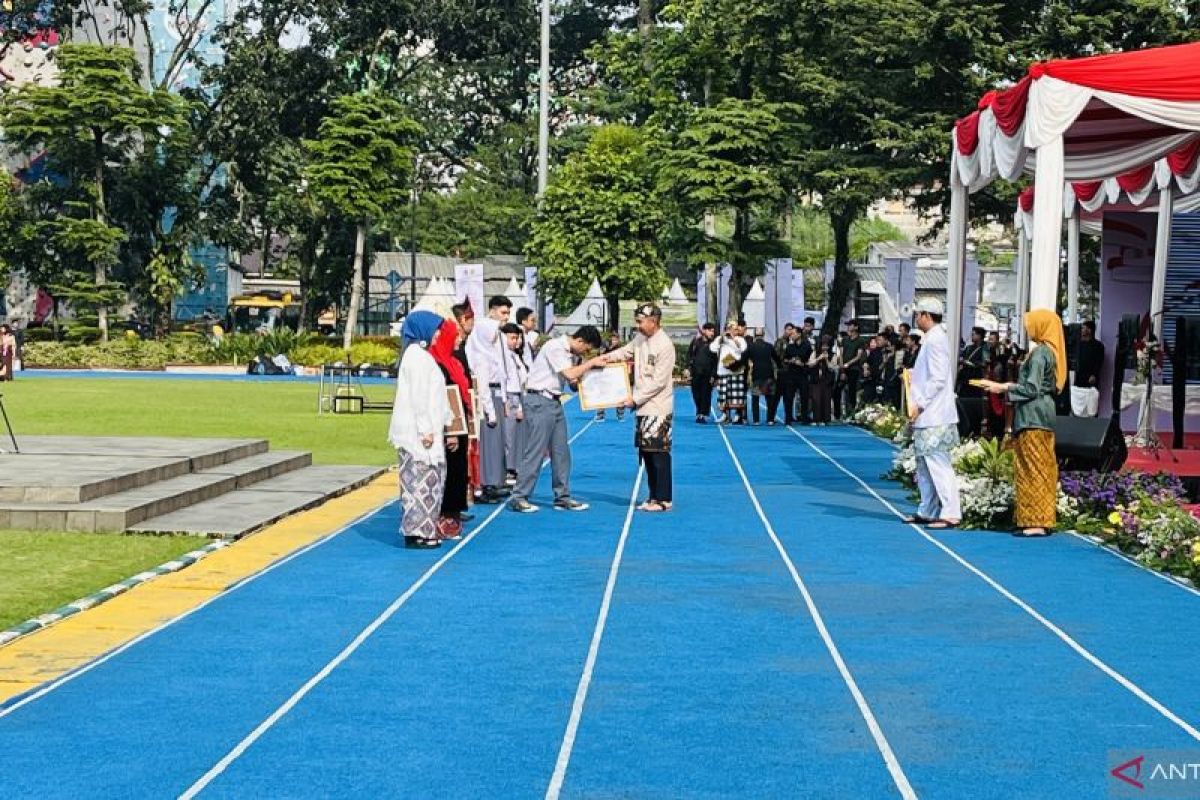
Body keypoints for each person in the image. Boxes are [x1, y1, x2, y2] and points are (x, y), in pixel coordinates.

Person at [980, 310, 1066, 536]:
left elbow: (1031, 388)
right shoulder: (1050, 352)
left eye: (1031, 324)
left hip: (1033, 416)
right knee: (1042, 467)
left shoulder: (1040, 354)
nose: (1028, 329)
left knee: (1032, 467)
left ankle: (1035, 521)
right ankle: (1038, 518)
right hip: (1043, 414)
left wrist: (1004, 387)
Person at [508, 325, 607, 513]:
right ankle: (519, 496)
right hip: (539, 401)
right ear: (580, 341)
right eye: (586, 349)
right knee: (535, 451)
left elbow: (571, 381)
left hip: (554, 402)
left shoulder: (570, 353)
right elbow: (569, 373)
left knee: (561, 451)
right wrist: (591, 363)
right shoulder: (555, 347)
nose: (585, 353)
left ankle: (562, 496)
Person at [389, 311, 454, 549]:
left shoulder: (422, 356)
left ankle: (425, 528)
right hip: (418, 434)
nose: (438, 335)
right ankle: (416, 531)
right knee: (418, 483)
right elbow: (419, 397)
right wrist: (426, 429)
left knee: (430, 482)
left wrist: (446, 421)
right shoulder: (416, 357)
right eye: (436, 329)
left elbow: (436, 395)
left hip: (430, 430)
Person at [604, 304, 676, 511]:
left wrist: (634, 399)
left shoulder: (665, 345)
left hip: (658, 407)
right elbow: (625, 353)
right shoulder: (640, 339)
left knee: (659, 453)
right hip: (642, 408)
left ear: (653, 321)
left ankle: (664, 498)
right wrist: (604, 359)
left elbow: (659, 382)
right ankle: (653, 495)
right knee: (646, 451)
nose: (637, 325)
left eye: (640, 321)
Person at [904, 298, 961, 530]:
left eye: (918, 314)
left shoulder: (936, 339)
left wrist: (921, 402)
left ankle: (951, 512)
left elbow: (938, 378)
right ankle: (927, 509)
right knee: (924, 464)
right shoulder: (932, 338)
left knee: (938, 462)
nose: (917, 319)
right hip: (926, 412)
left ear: (927, 315)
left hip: (934, 412)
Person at [465, 296, 513, 504]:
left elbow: (502, 371)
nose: (505, 319)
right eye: (503, 313)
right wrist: (491, 411)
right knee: (487, 442)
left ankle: (494, 480)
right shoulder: (480, 354)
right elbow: (482, 384)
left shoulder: (494, 349)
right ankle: (484, 483)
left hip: (497, 393)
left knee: (496, 442)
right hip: (486, 397)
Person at [430, 317, 471, 538]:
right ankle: (445, 513)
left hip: (460, 421)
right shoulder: (438, 364)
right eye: (455, 337)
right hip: (449, 424)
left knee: (459, 468)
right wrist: (451, 430)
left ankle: (454, 511)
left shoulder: (454, 361)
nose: (459, 340)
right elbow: (446, 397)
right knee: (450, 468)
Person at [501, 322, 530, 480]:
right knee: (509, 436)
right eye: (512, 338)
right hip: (511, 396)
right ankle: (508, 468)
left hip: (518, 395)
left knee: (517, 436)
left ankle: (514, 465)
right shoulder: (504, 355)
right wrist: (513, 403)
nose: (516, 341)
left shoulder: (515, 355)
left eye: (517, 338)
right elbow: (506, 380)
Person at [712, 319, 748, 424]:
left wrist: (732, 338)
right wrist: (722, 337)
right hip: (723, 371)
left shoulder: (741, 339)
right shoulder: (721, 339)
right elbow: (713, 349)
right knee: (723, 394)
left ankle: (737, 415)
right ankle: (724, 415)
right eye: (730, 329)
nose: (733, 331)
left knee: (736, 395)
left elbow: (743, 349)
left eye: (735, 329)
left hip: (736, 371)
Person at [745, 329, 781, 425]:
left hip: (756, 374)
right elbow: (777, 359)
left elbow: (743, 359)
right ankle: (770, 420)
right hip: (768, 374)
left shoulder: (751, 346)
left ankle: (756, 420)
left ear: (754, 335)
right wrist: (781, 367)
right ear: (764, 335)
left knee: (755, 398)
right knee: (770, 398)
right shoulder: (769, 346)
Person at [781, 323, 813, 425]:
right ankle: (788, 418)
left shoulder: (807, 346)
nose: (791, 335)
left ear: (799, 334)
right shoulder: (790, 346)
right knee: (789, 397)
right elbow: (785, 359)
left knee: (804, 396)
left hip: (803, 374)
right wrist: (791, 361)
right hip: (791, 374)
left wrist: (801, 362)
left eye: (793, 333)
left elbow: (808, 358)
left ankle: (804, 417)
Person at [1071, 319, 1104, 418]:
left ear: (1090, 330)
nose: (1081, 330)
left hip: (1091, 379)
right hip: (1078, 379)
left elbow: (1099, 362)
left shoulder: (1098, 346)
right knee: (1077, 405)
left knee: (1091, 405)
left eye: (1084, 328)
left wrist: (1094, 374)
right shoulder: (1078, 345)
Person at [687, 323, 718, 422]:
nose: (712, 333)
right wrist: (687, 368)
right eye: (710, 331)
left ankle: (702, 414)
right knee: (696, 394)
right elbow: (689, 355)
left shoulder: (714, 344)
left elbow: (716, 361)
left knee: (706, 394)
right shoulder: (696, 342)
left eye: (713, 331)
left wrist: (714, 375)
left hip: (708, 374)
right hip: (696, 373)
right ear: (704, 330)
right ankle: (699, 411)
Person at [594, 332, 627, 422]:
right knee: (602, 394)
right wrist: (606, 349)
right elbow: (599, 356)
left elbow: (624, 359)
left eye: (616, 339)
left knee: (620, 394)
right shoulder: (605, 346)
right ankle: (600, 415)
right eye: (613, 339)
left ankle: (620, 415)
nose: (614, 341)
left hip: (616, 374)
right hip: (605, 374)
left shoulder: (621, 348)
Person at [839, 320, 868, 418]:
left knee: (852, 390)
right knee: (838, 389)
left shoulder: (861, 340)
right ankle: (838, 413)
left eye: (850, 325)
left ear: (856, 327)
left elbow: (858, 356)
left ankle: (851, 412)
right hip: (844, 368)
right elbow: (841, 353)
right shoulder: (845, 339)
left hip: (854, 368)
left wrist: (848, 364)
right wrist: (842, 367)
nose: (848, 327)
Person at [809, 334, 838, 425]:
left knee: (826, 399)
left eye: (827, 345)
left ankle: (826, 419)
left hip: (827, 380)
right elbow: (810, 364)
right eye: (823, 345)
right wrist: (818, 358)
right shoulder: (815, 352)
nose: (825, 347)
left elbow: (832, 367)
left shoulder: (833, 355)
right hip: (816, 379)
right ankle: (816, 419)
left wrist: (826, 360)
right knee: (816, 399)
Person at [958, 327, 988, 397]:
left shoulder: (985, 349)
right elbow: (961, 357)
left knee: (973, 399)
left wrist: (970, 363)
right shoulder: (969, 348)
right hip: (965, 379)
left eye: (973, 334)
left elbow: (984, 363)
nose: (971, 336)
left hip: (976, 379)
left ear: (979, 336)